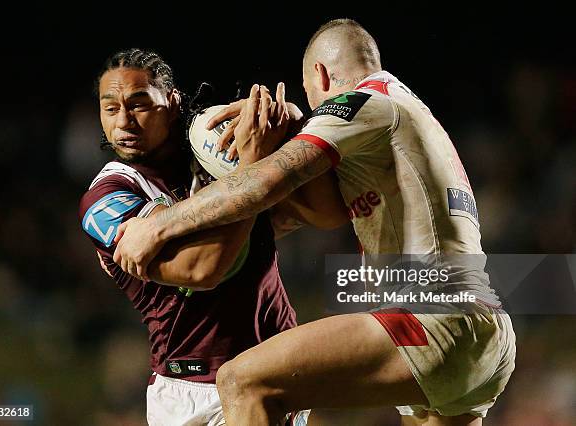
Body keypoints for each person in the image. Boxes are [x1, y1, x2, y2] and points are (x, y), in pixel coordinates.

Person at [112, 20, 517, 426]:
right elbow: (322, 210)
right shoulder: (408, 109)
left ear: (320, 76)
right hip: (483, 333)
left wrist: (158, 227)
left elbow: (266, 182)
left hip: (431, 318)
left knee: (242, 381)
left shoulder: (363, 103)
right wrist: (286, 123)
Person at [78, 48, 340, 425]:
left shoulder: (216, 151)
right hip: (197, 391)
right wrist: (252, 168)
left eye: (139, 105)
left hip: (279, 370)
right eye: (111, 109)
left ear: (172, 102)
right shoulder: (107, 196)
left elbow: (325, 213)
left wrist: (292, 129)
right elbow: (202, 269)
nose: (125, 122)